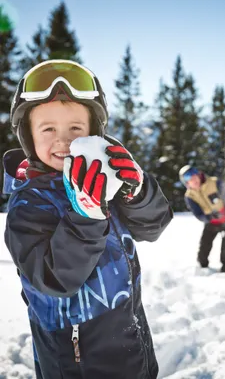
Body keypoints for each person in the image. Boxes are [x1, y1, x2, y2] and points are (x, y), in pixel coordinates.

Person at [3, 59, 173, 379]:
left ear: (95, 133)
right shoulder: (27, 205)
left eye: (76, 129)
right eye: (48, 128)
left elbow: (152, 227)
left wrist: (135, 190)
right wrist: (85, 216)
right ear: (28, 135)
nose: (63, 140)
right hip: (77, 356)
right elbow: (54, 279)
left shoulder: (105, 181)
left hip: (127, 332)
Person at [179, 165, 225, 273]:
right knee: (204, 246)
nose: (193, 180)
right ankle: (202, 267)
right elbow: (198, 214)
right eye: (189, 179)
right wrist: (209, 217)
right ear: (186, 183)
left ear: (199, 175)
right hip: (212, 222)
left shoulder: (215, 183)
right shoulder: (190, 196)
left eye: (194, 175)